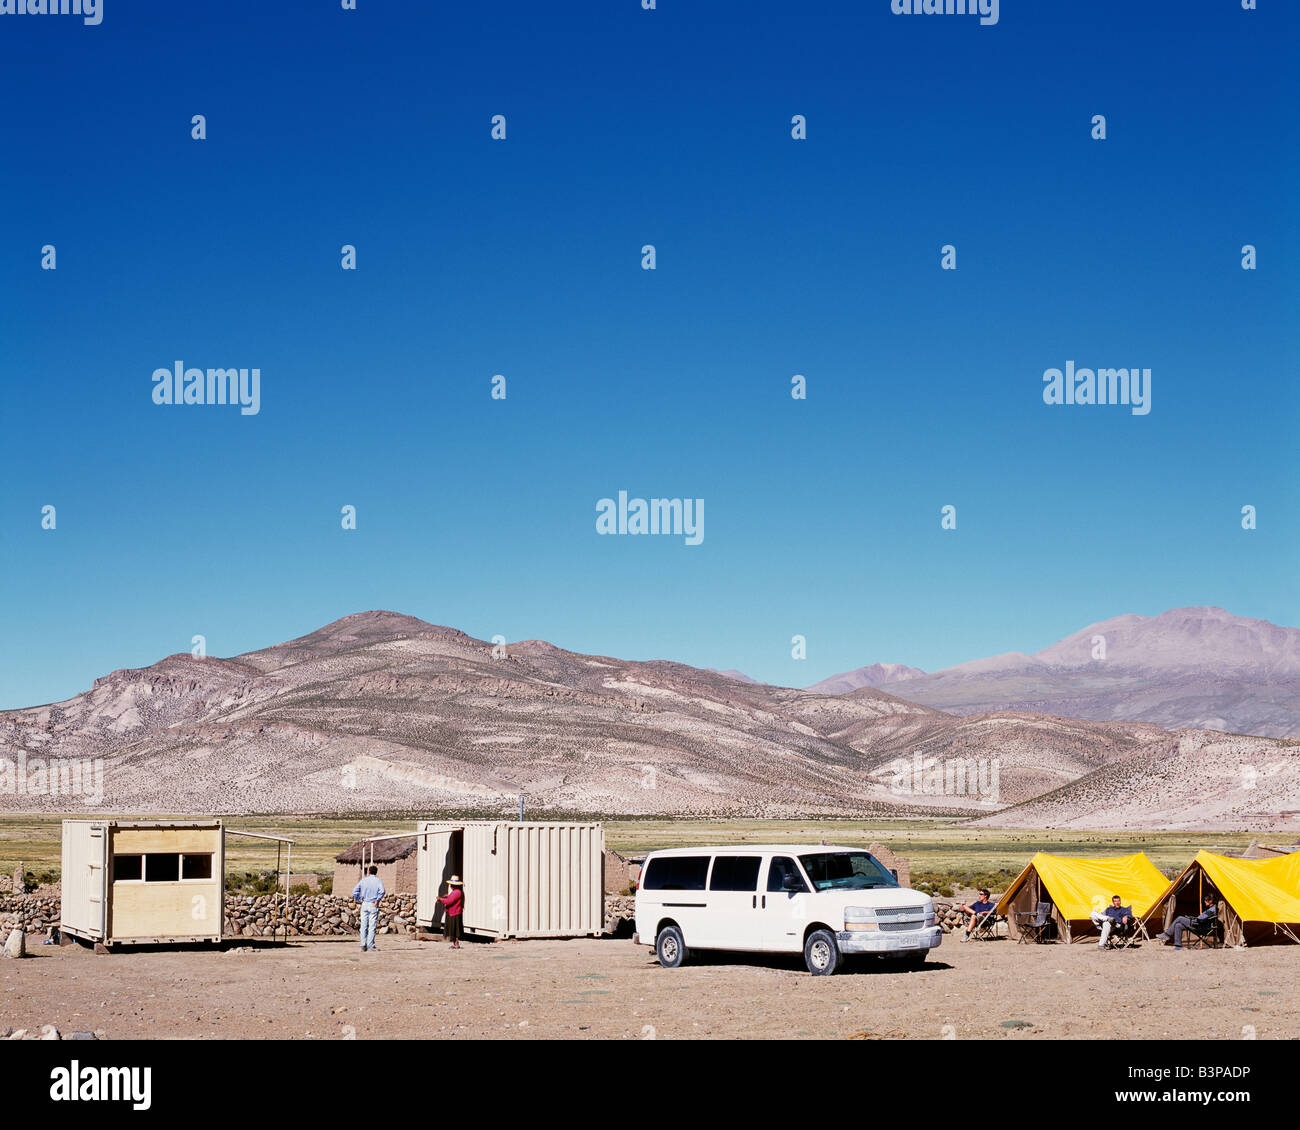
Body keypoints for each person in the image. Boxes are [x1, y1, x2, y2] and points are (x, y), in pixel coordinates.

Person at [352, 864, 385, 952]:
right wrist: (377, 900)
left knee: (363, 925)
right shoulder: (378, 881)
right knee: (372, 925)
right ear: (376, 872)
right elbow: (382, 891)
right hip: (373, 903)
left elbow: (354, 891)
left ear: (369, 872)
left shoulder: (363, 880)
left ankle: (363, 945)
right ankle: (370, 945)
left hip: (364, 903)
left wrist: (358, 899)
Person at [437, 875, 465, 949]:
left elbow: (449, 902)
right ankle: (455, 943)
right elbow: (451, 899)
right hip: (454, 912)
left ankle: (456, 944)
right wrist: (448, 896)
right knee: (454, 929)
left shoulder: (456, 892)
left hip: (454, 913)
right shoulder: (457, 892)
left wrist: (441, 899)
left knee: (454, 929)